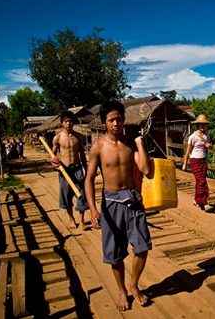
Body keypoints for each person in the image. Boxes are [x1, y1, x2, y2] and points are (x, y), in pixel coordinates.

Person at [85, 100, 154, 311]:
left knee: (142, 248)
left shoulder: (131, 143)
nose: (116, 123)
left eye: (119, 119)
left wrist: (141, 144)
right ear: (104, 122)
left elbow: (147, 171)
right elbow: (88, 179)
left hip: (133, 201)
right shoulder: (98, 147)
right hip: (111, 203)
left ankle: (133, 284)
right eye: (111, 120)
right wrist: (93, 208)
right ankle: (122, 290)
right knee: (115, 253)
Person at [51, 111, 89, 229]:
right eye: (66, 121)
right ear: (62, 123)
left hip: (77, 168)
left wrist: (86, 169)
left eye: (71, 121)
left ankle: (81, 220)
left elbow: (82, 154)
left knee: (82, 193)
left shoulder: (78, 137)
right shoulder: (57, 138)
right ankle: (71, 219)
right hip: (64, 170)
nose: (68, 123)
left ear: (74, 122)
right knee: (66, 194)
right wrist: (54, 165)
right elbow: (53, 155)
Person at [181, 114, 214, 212]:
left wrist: (209, 146)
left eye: (204, 124)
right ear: (198, 125)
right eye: (201, 124)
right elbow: (188, 151)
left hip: (203, 161)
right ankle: (205, 203)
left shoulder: (207, 135)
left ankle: (197, 200)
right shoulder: (193, 137)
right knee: (201, 181)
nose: (203, 126)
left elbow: (210, 146)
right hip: (195, 161)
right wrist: (184, 163)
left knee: (201, 181)